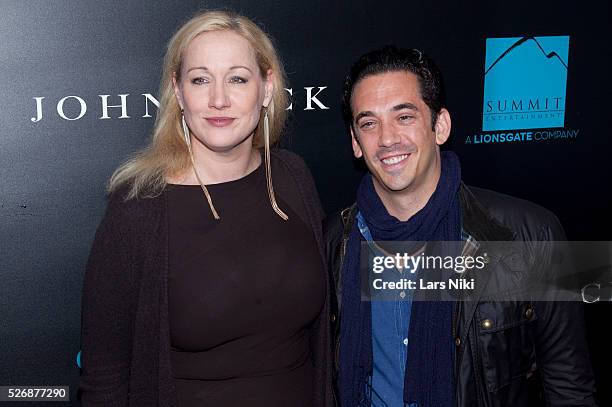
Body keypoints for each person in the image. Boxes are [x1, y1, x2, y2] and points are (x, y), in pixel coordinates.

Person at [79, 10, 333, 407]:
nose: (219, 99)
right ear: (178, 93)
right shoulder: (138, 205)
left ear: (266, 89)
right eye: (200, 79)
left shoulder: (292, 176)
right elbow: (104, 375)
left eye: (237, 78)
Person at [324, 46, 597, 406]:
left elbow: (569, 382)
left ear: (440, 126)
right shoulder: (335, 241)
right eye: (369, 123)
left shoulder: (531, 234)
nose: (387, 139)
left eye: (404, 117)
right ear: (356, 143)